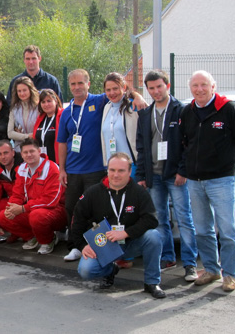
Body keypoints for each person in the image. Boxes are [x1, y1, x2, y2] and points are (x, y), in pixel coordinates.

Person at [58, 69, 146, 262]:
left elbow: (121, 91)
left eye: (80, 83)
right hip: (73, 170)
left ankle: (98, 248)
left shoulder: (100, 101)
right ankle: (75, 246)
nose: (77, 87)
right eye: (73, 84)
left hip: (97, 168)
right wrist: (61, 169)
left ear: (88, 84)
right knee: (72, 209)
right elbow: (62, 142)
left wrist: (137, 95)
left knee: (97, 211)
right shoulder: (66, 112)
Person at [180, 70, 235, 292]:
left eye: (204, 85)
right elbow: (185, 143)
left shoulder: (229, 110)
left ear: (213, 86)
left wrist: (227, 164)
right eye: (195, 86)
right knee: (202, 229)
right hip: (195, 181)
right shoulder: (188, 112)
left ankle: (229, 275)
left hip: (221, 180)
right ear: (190, 88)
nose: (199, 89)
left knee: (228, 230)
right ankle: (211, 269)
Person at [73, 153, 166, 299]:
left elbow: (151, 219)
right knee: (85, 270)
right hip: (104, 245)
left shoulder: (139, 192)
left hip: (130, 243)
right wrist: (82, 246)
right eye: (112, 170)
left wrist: (126, 233)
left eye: (121, 171)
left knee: (153, 236)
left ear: (129, 172)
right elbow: (77, 222)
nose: (116, 175)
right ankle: (111, 269)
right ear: (107, 171)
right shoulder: (93, 193)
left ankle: (152, 283)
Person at [136, 70, 198, 281]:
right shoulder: (145, 114)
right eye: (151, 88)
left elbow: (189, 144)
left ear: (168, 86)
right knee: (160, 219)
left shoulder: (181, 110)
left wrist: (183, 170)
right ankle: (167, 257)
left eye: (159, 87)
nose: (155, 91)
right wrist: (142, 175)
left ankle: (190, 264)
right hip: (154, 177)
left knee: (184, 218)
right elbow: (141, 147)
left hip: (175, 176)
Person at [0, 138, 67, 254]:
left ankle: (48, 240)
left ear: (39, 151)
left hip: (56, 210)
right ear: (21, 155)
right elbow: (17, 194)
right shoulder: (22, 169)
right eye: (25, 152)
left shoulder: (51, 168)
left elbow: (51, 201)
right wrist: (12, 208)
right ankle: (33, 237)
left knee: (36, 216)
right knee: (2, 216)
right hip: (34, 209)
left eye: (32, 151)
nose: (29, 155)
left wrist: (23, 208)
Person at [101, 72, 138, 170]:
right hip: (112, 167)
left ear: (124, 87)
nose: (112, 93)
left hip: (131, 165)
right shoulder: (106, 108)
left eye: (115, 88)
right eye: (108, 90)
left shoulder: (133, 107)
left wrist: (137, 96)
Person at [7, 76, 39, 151]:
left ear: (30, 90)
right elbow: (10, 133)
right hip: (20, 150)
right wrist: (27, 136)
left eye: (24, 90)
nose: (22, 93)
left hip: (36, 148)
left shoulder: (39, 107)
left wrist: (19, 135)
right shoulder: (14, 108)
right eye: (19, 91)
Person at [33, 89, 63, 163]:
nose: (46, 104)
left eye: (49, 101)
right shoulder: (40, 118)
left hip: (58, 162)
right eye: (43, 102)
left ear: (55, 101)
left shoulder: (62, 116)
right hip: (42, 162)